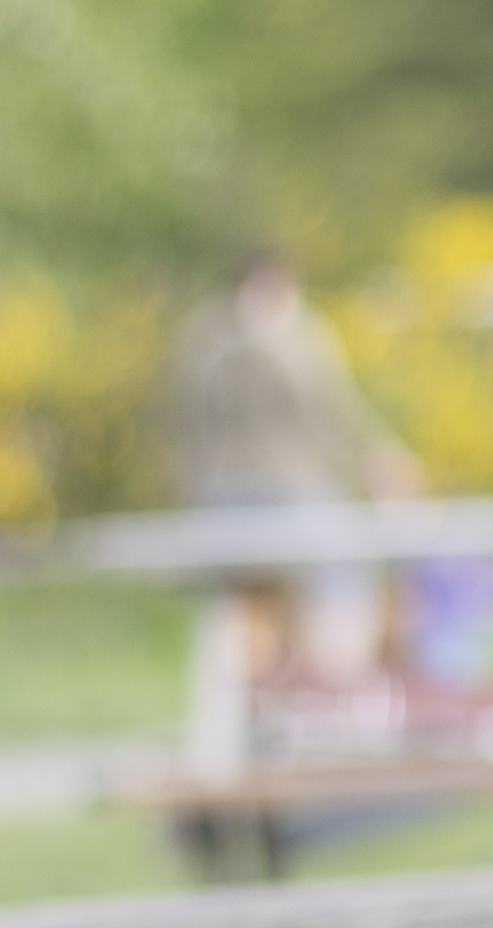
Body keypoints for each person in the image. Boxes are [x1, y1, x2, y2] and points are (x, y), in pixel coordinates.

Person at [164, 255, 418, 683]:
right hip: (249, 491)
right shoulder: (222, 340)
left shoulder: (284, 334)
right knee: (297, 586)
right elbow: (189, 423)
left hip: (277, 487)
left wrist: (376, 453)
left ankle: (334, 679)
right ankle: (322, 682)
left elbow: (336, 409)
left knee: (324, 579)